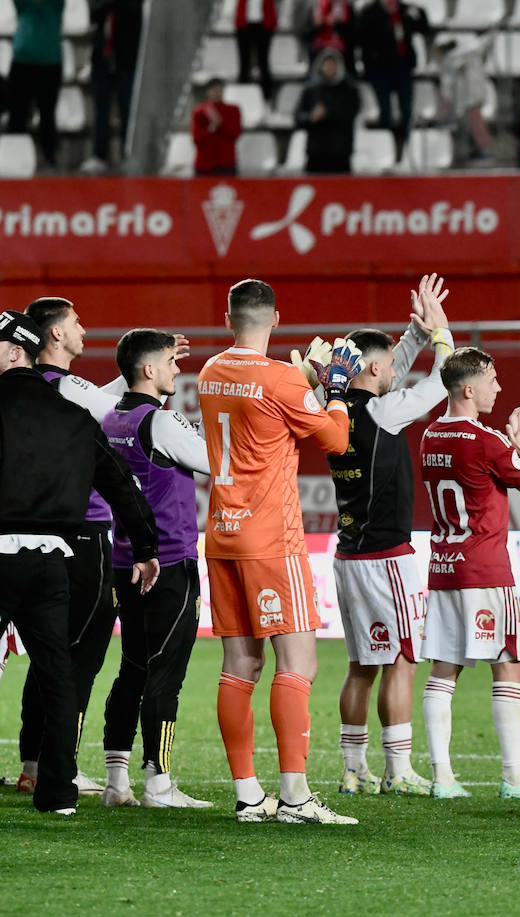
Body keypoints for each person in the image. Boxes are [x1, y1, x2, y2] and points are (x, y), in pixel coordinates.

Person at [198, 278, 363, 824]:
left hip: (221, 531)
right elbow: (336, 440)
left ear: (228, 319)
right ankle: (294, 797)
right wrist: (333, 389)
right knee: (299, 662)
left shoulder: (209, 372)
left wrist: (305, 384)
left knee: (239, 663)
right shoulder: (283, 378)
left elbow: (264, 412)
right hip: (272, 539)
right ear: (275, 318)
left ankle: (249, 797)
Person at [0, 310, 159, 815]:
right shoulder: (74, 417)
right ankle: (58, 793)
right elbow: (119, 483)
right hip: (54, 560)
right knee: (58, 673)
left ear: (12, 352)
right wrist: (147, 549)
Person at [418, 349, 520, 800]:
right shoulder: (487, 442)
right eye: (492, 380)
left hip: (443, 567)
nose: (498, 388)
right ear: (468, 389)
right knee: (508, 665)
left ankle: (442, 778)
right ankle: (515, 777)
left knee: (444, 669)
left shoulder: (429, 436)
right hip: (485, 570)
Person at [327, 274, 453, 796]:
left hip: (348, 552)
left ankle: (352, 770)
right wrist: (440, 334)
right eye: (385, 366)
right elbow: (444, 381)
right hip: (387, 556)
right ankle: (398, 771)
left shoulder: (328, 404)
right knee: (401, 658)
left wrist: (413, 334)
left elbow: (385, 369)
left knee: (360, 665)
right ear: (375, 369)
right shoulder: (384, 411)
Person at [99, 329, 214, 809]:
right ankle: (159, 785)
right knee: (165, 673)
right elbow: (218, 463)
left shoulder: (110, 418)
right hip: (168, 562)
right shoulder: (162, 423)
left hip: (125, 560)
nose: (177, 369)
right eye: (169, 362)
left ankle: (115, 781)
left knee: (132, 669)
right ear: (149, 370)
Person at [356, 0, 430, 162]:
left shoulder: (406, 10)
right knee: (385, 112)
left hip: (402, 67)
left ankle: (404, 152)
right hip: (379, 69)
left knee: (406, 111)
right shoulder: (369, 12)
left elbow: (424, 28)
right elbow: (360, 38)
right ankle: (386, 153)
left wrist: (419, 12)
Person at [83, 0, 143, 173]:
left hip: (127, 63)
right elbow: (94, 13)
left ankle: (128, 155)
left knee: (128, 112)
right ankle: (99, 156)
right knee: (101, 111)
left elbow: (133, 10)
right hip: (102, 63)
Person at [5, 0, 64, 170]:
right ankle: (13, 161)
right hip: (23, 62)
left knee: (47, 116)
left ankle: (49, 159)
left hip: (49, 63)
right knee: (17, 116)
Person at [295, 47, 361, 174]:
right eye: (326, 64)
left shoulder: (349, 89)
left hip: (340, 153)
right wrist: (311, 117)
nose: (329, 68)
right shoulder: (311, 89)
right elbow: (298, 117)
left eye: (333, 64)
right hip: (316, 153)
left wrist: (327, 113)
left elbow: (351, 113)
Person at [435, 32, 493, 163]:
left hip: (470, 98)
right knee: (469, 126)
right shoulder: (466, 53)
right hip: (467, 99)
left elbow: (448, 86)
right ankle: (477, 151)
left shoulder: (455, 57)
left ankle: (485, 150)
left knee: (475, 123)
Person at [192, 79, 243, 177]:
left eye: (220, 90)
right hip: (204, 165)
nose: (217, 94)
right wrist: (212, 127)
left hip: (226, 163)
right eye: (214, 91)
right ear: (207, 92)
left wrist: (221, 124)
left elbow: (235, 134)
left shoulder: (233, 110)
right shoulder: (199, 112)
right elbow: (197, 139)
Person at [298, 0, 357, 75]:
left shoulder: (347, 8)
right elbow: (304, 35)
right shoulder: (314, 8)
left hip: (343, 58)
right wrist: (316, 26)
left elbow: (354, 37)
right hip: (317, 56)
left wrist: (337, 25)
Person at [235, 0, 278, 98]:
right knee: (244, 62)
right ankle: (242, 95)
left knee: (263, 62)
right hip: (244, 25)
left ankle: (267, 97)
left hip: (263, 25)